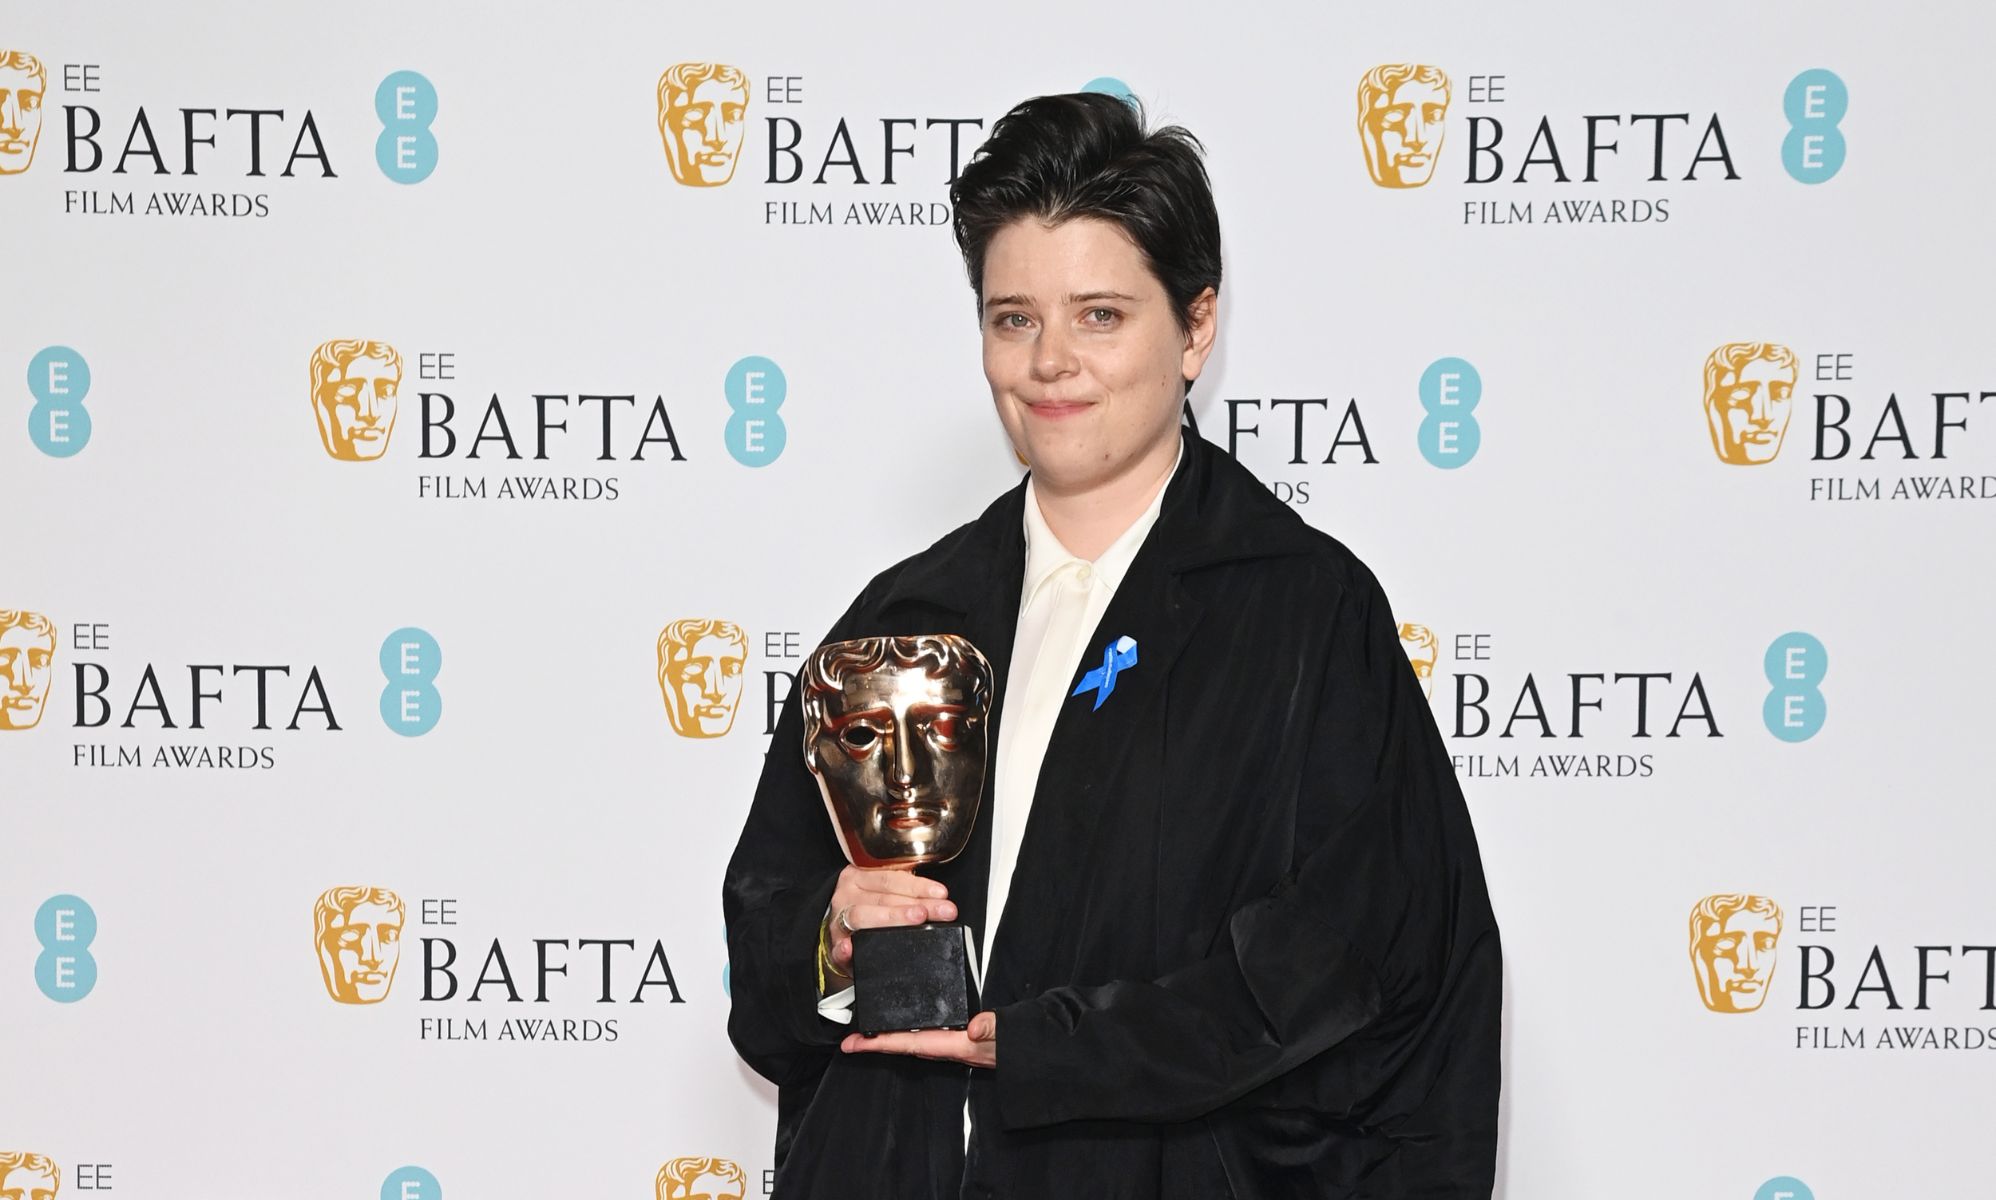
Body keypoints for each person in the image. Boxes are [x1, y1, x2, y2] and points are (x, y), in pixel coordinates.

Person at [723, 92, 1501, 1198]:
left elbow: (1381, 977)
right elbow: (763, 974)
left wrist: (1049, 1044)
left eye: (1098, 315)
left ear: (1194, 328)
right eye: (1012, 318)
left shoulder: (1305, 616)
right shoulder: (903, 618)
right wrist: (825, 941)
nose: (1049, 363)